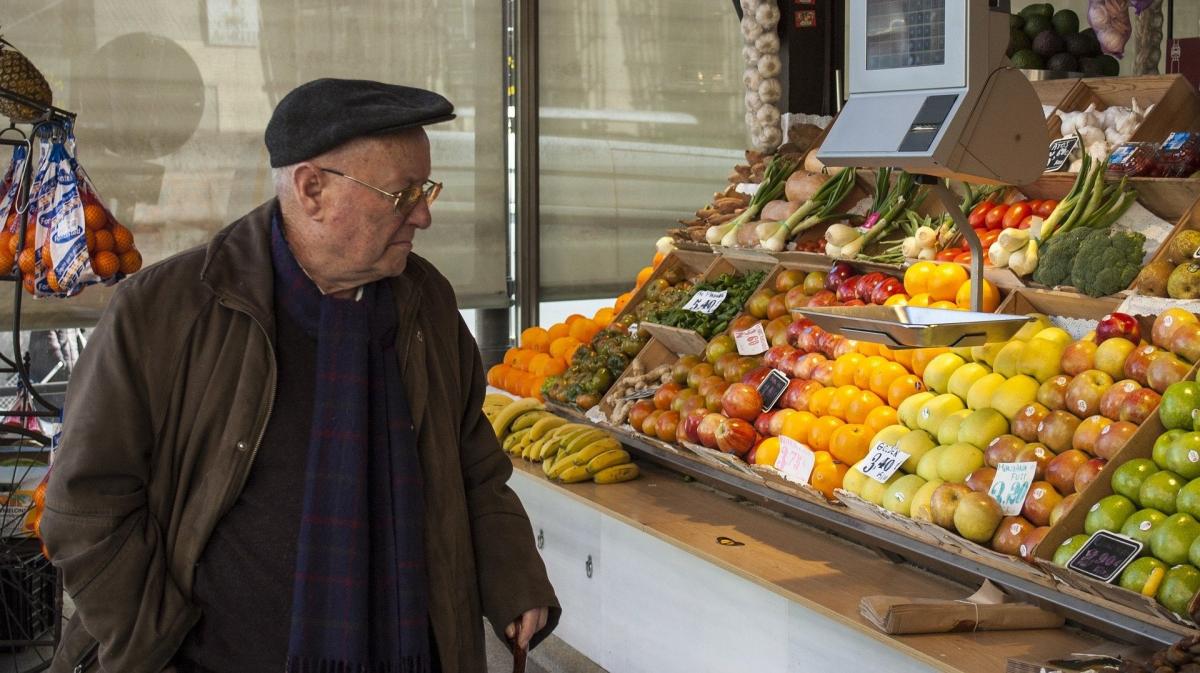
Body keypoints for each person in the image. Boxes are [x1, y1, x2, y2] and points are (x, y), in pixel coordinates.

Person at [40, 78, 560, 673]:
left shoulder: (427, 304)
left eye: (428, 188)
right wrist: (154, 637)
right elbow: (85, 505)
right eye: (402, 194)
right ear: (312, 189)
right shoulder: (167, 311)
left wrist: (514, 579)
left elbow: (474, 470)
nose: (423, 215)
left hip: (406, 646)